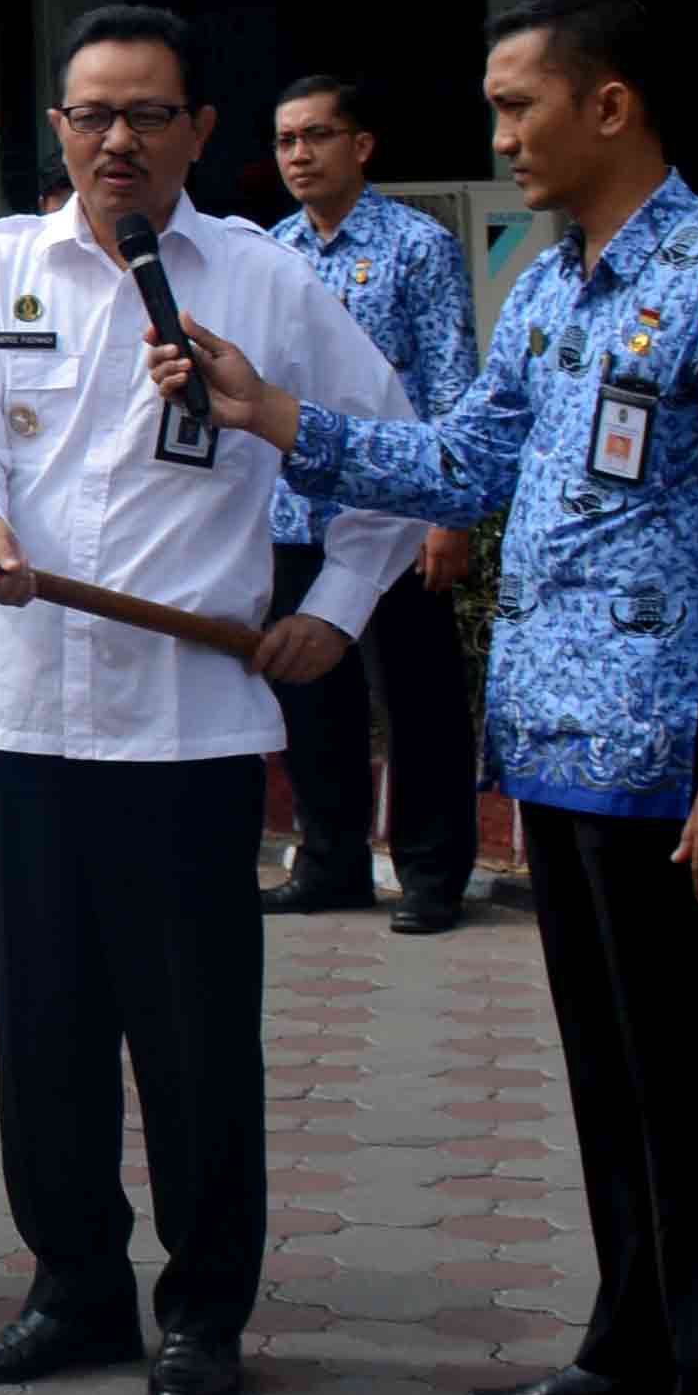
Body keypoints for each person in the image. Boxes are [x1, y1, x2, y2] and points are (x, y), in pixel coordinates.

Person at [187, 0, 698, 1395]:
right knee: (614, 1076)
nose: (499, 137)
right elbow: (465, 463)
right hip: (556, 751)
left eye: (518, 106)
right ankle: (637, 1346)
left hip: (676, 767)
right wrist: (280, 413)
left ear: (610, 105)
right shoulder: (549, 285)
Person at [0, 8, 416, 1395]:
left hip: (181, 727)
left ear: (198, 130)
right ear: (56, 129)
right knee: (42, 1027)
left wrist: (341, 609)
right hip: (10, 716)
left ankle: (205, 1313)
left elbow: (389, 454)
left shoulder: (262, 280)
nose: (114, 141)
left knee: (192, 1038)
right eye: (89, 115)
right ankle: (72, 1289)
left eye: (145, 115)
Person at [261, 75, 486, 931]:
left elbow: (453, 381)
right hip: (294, 515)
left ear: (362, 145)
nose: (299, 155)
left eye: (317, 135)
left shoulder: (416, 246)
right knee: (313, 700)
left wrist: (448, 513)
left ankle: (432, 876)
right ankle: (331, 863)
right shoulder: (273, 252)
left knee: (418, 701)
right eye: (286, 140)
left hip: (394, 517)